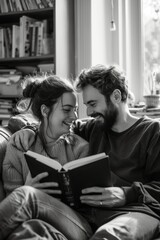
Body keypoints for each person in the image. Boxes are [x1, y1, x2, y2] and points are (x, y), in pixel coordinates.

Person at [1, 64, 160, 240]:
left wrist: (125, 194)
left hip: (135, 213)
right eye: (86, 106)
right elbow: (53, 124)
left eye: (93, 104)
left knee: (107, 236)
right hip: (85, 217)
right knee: (27, 195)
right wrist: (30, 130)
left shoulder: (152, 132)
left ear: (116, 96)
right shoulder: (94, 127)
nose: (89, 112)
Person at [1, 73, 92, 240]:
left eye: (76, 110)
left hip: (75, 224)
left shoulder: (80, 148)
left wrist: (30, 192)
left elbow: (88, 205)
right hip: (34, 222)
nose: (75, 117)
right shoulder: (19, 145)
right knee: (27, 231)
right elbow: (11, 208)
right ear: (45, 110)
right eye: (67, 110)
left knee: (26, 195)